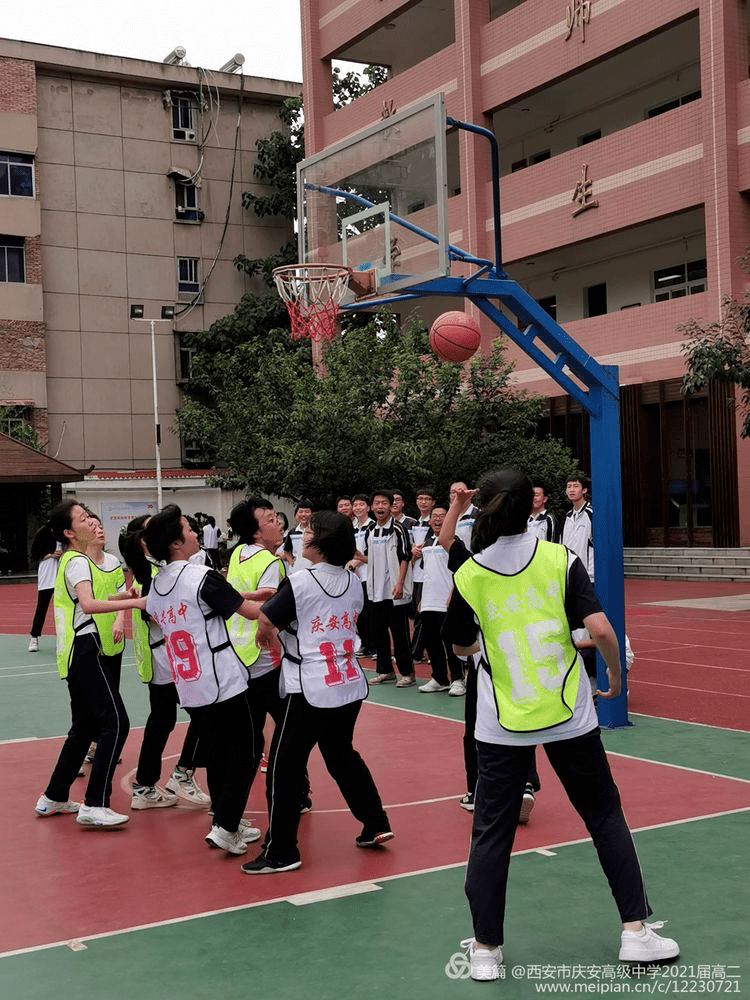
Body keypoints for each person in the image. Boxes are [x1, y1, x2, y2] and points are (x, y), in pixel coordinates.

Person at [444, 469, 679, 980]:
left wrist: (487, 643)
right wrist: (615, 677)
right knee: (604, 816)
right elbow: (599, 629)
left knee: (491, 832)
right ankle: (636, 931)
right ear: (532, 505)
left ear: (481, 509)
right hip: (569, 712)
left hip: (501, 722)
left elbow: (459, 645)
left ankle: (485, 949)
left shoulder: (470, 573)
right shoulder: (559, 559)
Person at [241, 511, 393, 874]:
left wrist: (266, 634)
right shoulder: (353, 581)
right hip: (347, 682)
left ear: (320, 541)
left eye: (308, 531)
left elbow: (267, 615)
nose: (302, 534)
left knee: (283, 767)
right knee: (342, 755)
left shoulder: (302, 580)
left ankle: (282, 851)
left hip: (309, 687)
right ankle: (376, 822)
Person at [143, 504, 264, 855]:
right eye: (189, 528)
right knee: (247, 749)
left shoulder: (159, 584)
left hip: (189, 684)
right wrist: (293, 597)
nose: (197, 533)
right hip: (222, 679)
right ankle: (226, 827)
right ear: (178, 542)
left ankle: (222, 819)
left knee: (219, 752)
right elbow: (248, 611)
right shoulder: (200, 577)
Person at [34, 501, 147, 828]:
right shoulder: (77, 562)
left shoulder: (77, 561)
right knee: (116, 723)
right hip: (87, 648)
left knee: (84, 727)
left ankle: (53, 796)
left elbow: (89, 602)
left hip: (77, 651)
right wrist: (136, 601)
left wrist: (123, 599)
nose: (91, 522)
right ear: (70, 533)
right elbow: (86, 603)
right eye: (83, 519)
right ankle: (95, 803)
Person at [119, 516, 211, 811]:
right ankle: (182, 774)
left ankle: (146, 784)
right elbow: (159, 614)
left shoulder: (154, 572)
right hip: (170, 659)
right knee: (203, 715)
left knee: (163, 721)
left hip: (165, 658)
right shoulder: (152, 577)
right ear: (146, 540)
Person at [226, 498, 311, 808]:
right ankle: (295, 794)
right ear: (256, 532)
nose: (278, 522)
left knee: (249, 736)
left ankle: (229, 805)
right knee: (290, 730)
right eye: (270, 518)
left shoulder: (238, 553)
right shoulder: (271, 563)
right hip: (267, 656)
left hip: (238, 656)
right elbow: (269, 609)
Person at [357, 489, 414, 686]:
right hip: (375, 592)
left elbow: (405, 557)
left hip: (394, 591)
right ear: (372, 507)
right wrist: (357, 556)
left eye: (384, 503)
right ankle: (385, 670)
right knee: (378, 632)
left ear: (391, 506)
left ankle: (407, 673)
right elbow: (369, 558)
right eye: (377, 503)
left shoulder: (398, 529)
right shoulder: (370, 531)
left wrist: (399, 583)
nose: (380, 507)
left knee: (399, 634)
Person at [413, 504, 465, 696]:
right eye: (434, 516)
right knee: (431, 641)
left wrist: (453, 593)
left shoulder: (454, 542)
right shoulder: (426, 544)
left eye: (442, 516)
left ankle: (458, 679)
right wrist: (421, 599)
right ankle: (439, 678)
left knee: (450, 642)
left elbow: (460, 571)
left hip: (447, 600)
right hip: (428, 601)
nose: (437, 519)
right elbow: (427, 572)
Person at [349, 493, 375, 657]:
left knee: (370, 612)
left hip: (369, 575)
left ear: (368, 507)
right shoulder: (352, 527)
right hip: (354, 576)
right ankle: (365, 644)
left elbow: (371, 552)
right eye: (355, 505)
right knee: (359, 613)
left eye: (361, 505)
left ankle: (374, 646)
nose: (358, 508)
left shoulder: (372, 526)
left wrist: (358, 561)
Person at [28, 528, 61, 652]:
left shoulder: (65, 532)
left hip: (62, 574)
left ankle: (62, 638)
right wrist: (51, 555)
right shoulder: (43, 533)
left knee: (63, 608)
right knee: (41, 608)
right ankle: (34, 637)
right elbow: (35, 555)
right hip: (47, 575)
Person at [282, 499, 313, 573]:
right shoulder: (292, 532)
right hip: (297, 570)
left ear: (312, 514)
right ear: (296, 514)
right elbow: (287, 550)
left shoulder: (316, 531)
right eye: (301, 512)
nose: (303, 514)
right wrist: (291, 563)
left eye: (307, 512)